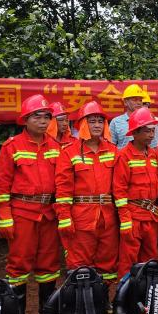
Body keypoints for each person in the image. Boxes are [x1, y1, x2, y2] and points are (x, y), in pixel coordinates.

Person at [0, 94, 62, 314]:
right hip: (22, 211)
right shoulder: (12, 146)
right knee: (19, 262)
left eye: (46, 117)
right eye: (37, 116)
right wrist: (4, 216)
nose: (42, 121)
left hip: (49, 212)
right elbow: (2, 184)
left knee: (49, 262)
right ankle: (18, 313)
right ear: (25, 119)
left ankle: (47, 310)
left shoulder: (56, 146)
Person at [54, 100, 119, 286]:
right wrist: (64, 216)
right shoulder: (69, 152)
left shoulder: (113, 151)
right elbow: (63, 187)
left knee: (107, 264)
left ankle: (102, 302)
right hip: (81, 216)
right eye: (92, 121)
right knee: (80, 263)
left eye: (100, 121)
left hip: (107, 216)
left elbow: (120, 186)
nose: (97, 125)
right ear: (82, 124)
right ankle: (81, 306)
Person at [112, 106, 158, 275]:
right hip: (133, 216)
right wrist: (125, 219)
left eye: (152, 131)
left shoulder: (153, 155)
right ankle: (126, 299)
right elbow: (119, 191)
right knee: (128, 260)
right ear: (135, 132)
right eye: (147, 131)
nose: (151, 135)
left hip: (150, 215)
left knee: (150, 259)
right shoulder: (124, 155)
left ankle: (146, 296)